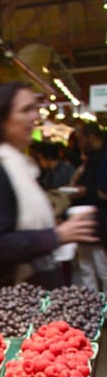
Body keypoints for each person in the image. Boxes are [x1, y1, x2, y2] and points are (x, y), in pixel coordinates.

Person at [0, 82, 97, 290]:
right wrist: (55, 236)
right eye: (25, 110)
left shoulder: (20, 166)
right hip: (11, 300)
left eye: (34, 108)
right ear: (1, 119)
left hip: (29, 293)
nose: (35, 117)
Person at [70, 121, 107, 292]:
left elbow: (102, 192)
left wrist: (85, 191)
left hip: (100, 221)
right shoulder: (91, 158)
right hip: (86, 219)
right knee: (87, 268)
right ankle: (93, 307)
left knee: (101, 268)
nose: (79, 143)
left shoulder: (104, 157)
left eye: (80, 139)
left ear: (90, 137)